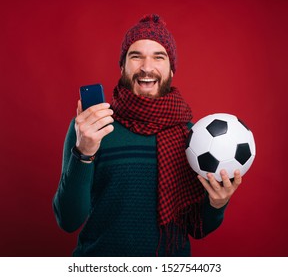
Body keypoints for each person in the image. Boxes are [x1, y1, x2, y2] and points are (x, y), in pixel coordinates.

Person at [53, 14, 242, 257]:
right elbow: (68, 220)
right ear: (122, 67)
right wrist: (84, 151)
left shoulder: (195, 138)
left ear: (171, 70)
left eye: (158, 57)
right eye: (136, 56)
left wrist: (217, 204)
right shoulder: (91, 127)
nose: (146, 67)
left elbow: (198, 229)